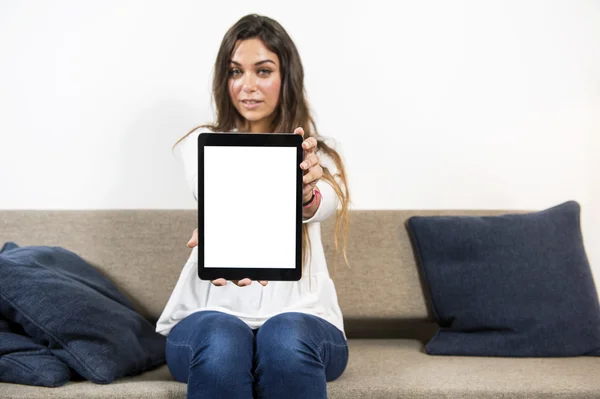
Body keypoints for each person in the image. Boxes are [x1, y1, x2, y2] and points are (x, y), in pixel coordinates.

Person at [156, 14, 351, 399]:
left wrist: (306, 191)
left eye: (263, 71)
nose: (247, 86)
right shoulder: (201, 144)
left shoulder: (320, 154)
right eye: (235, 72)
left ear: (286, 77)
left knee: (284, 334)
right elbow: (217, 190)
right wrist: (226, 226)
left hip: (307, 320)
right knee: (225, 336)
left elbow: (322, 202)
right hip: (209, 318)